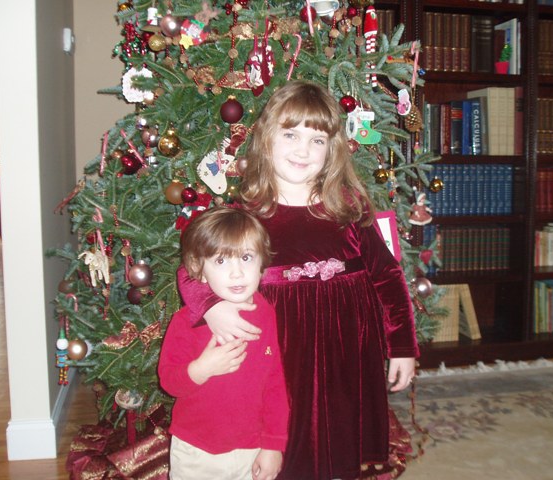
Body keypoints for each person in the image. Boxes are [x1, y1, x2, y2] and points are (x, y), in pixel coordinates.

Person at [177, 80, 420, 479]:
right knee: (288, 439)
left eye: (317, 140)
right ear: (266, 139)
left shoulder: (349, 206)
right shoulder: (247, 216)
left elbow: (388, 275)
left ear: (332, 149)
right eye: (290, 135)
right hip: (282, 349)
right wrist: (212, 306)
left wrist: (403, 347)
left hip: (348, 347)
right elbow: (192, 271)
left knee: (341, 435)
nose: (303, 151)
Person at [159, 207, 289, 480]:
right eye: (220, 261)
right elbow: (169, 382)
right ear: (199, 270)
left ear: (262, 264)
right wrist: (201, 369)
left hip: (252, 450)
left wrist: (274, 444)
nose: (237, 273)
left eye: (246, 257)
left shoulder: (267, 315)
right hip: (196, 451)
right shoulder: (186, 321)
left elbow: (275, 385)